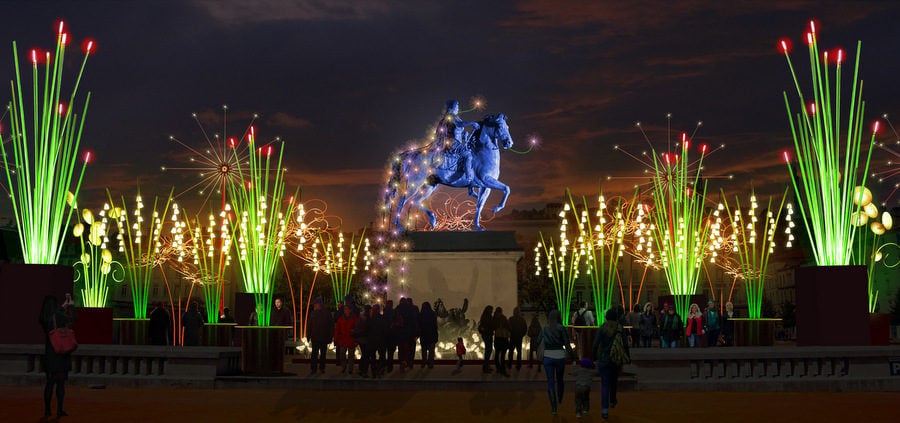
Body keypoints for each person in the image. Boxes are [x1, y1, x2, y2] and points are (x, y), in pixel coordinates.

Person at [39, 294, 77, 418]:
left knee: (49, 384)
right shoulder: (58, 316)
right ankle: (59, 410)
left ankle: (47, 410)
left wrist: (62, 306)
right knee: (60, 384)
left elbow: (55, 314)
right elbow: (72, 319)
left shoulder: (44, 318)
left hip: (49, 354)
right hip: (60, 354)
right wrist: (71, 306)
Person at [536, 309, 575, 416]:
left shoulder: (545, 328)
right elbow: (567, 344)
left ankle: (553, 407)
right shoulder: (561, 328)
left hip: (548, 356)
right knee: (560, 379)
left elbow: (538, 341)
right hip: (559, 356)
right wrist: (572, 357)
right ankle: (560, 397)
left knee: (550, 381)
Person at [592, 309, 629, 420]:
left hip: (603, 360)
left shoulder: (602, 329)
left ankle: (604, 411)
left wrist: (594, 357)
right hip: (615, 359)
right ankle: (612, 400)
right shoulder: (620, 328)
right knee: (614, 381)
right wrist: (627, 357)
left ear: (606, 317)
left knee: (605, 385)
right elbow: (625, 345)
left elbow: (595, 344)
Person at [437, 100, 481, 190]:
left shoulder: (452, 117)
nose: (458, 108)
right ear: (452, 108)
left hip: (455, 141)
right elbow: (460, 124)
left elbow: (456, 130)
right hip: (452, 142)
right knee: (468, 154)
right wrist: (472, 123)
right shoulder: (451, 116)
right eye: (456, 107)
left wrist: (464, 135)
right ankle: (469, 176)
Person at [306, 299, 333, 375]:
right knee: (315, 354)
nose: (314, 306)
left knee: (322, 354)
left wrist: (330, 337)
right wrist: (308, 336)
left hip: (323, 337)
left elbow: (330, 326)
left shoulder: (326, 313)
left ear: (319, 305)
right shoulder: (313, 313)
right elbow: (309, 325)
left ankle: (320, 368)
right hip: (316, 337)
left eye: (315, 304)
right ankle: (315, 368)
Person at [333, 304, 358, 374]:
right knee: (342, 354)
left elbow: (357, 329)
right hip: (343, 339)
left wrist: (355, 336)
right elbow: (337, 329)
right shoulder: (340, 319)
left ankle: (350, 369)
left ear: (350, 310)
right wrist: (336, 338)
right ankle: (343, 367)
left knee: (351, 355)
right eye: (344, 309)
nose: (345, 310)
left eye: (347, 309)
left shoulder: (354, 319)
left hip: (351, 339)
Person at [367, 304, 388, 378]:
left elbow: (367, 330)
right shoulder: (382, 318)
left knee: (373, 357)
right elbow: (385, 330)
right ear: (379, 310)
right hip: (381, 340)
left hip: (372, 341)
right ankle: (380, 369)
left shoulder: (370, 319)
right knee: (382, 355)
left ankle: (373, 371)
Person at [418, 301, 438, 369]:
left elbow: (419, 325)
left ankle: (424, 362)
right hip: (431, 335)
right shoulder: (433, 314)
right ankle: (430, 363)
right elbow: (435, 326)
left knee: (424, 350)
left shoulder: (421, 314)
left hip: (423, 335)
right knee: (431, 351)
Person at [493, 306, 510, 376]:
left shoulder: (494, 318)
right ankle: (501, 369)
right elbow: (508, 327)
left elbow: (493, 327)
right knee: (501, 354)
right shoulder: (503, 318)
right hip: (503, 338)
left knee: (498, 354)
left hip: (499, 338)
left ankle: (499, 368)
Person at [477, 305, 495, 373]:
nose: (491, 311)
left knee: (488, 350)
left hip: (487, 334)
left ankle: (486, 365)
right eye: (491, 310)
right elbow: (490, 325)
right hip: (488, 334)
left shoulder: (485, 316)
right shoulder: (488, 317)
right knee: (488, 350)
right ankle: (486, 366)